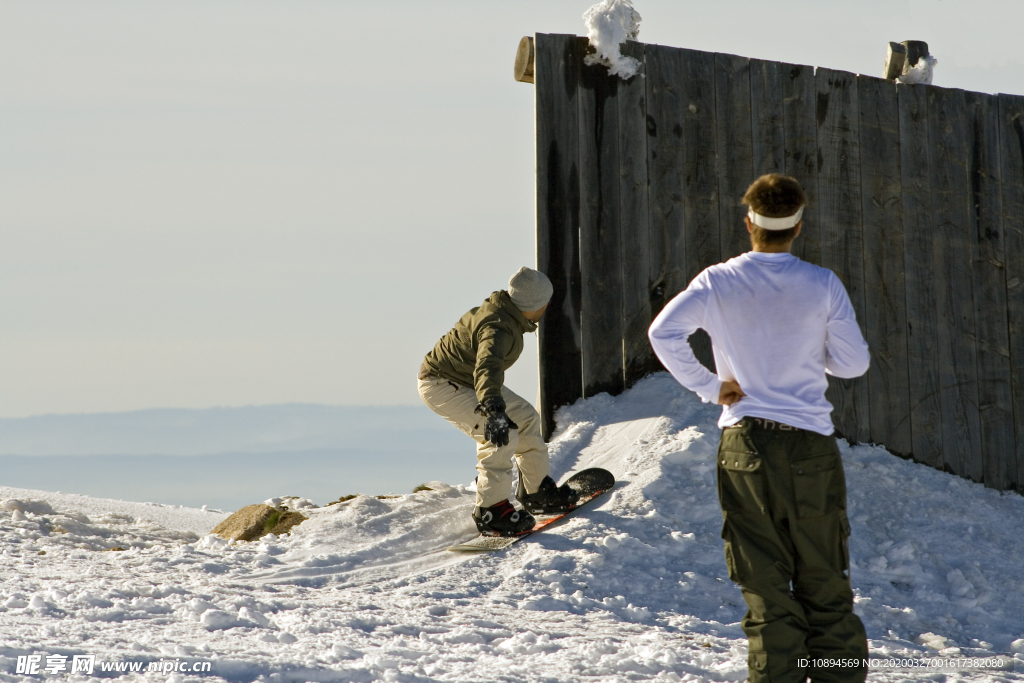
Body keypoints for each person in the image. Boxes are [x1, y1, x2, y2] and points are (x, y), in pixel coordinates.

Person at [648, 174, 871, 683]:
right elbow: (854, 364)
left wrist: (710, 385)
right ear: (798, 225)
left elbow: (663, 333)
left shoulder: (718, 281)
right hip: (810, 446)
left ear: (748, 222)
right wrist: (815, 353)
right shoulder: (822, 283)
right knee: (824, 579)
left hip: (746, 443)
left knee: (765, 584)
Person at [418, 266, 579, 536]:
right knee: (499, 434)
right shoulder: (498, 327)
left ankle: (537, 492)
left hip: (468, 380)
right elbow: (488, 366)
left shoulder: (506, 314)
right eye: (546, 301)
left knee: (526, 417)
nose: (548, 306)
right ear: (534, 304)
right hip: (441, 383)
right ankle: (492, 512)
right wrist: (493, 409)